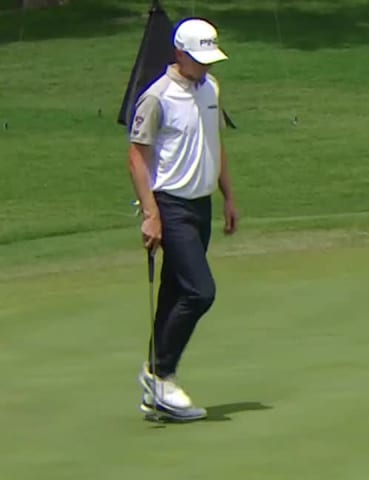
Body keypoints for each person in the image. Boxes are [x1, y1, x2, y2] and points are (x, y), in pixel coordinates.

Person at [127, 17, 238, 421]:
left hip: (200, 204)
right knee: (199, 291)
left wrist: (229, 196)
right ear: (179, 54)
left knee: (175, 291)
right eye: (199, 59)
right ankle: (159, 375)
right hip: (170, 205)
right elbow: (136, 157)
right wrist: (151, 215)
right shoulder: (157, 96)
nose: (206, 67)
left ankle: (157, 384)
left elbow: (215, 142)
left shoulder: (210, 88)